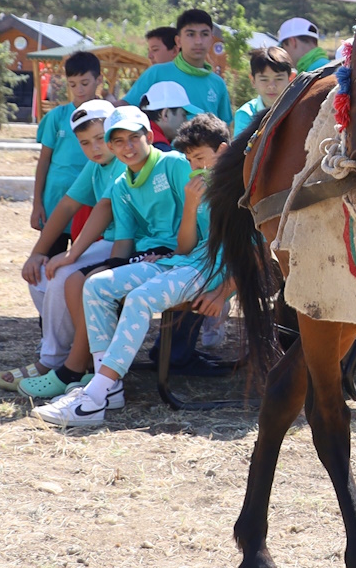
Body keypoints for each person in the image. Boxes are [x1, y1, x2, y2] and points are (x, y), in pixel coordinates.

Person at [36, 114, 234, 429]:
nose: (194, 166)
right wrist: (190, 204)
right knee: (97, 285)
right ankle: (110, 388)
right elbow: (184, 247)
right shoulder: (198, 185)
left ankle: (94, 397)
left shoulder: (242, 189)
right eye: (190, 160)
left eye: (199, 159)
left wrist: (223, 292)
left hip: (211, 269)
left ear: (222, 152)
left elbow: (257, 251)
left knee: (140, 298)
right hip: (183, 262)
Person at [3, 97, 116, 395]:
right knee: (40, 274)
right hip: (106, 244)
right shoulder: (96, 167)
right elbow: (66, 206)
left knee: (62, 276)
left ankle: (53, 361)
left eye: (100, 139)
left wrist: (71, 254)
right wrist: (38, 252)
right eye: (85, 143)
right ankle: (69, 354)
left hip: (126, 247)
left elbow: (104, 211)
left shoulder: (121, 162)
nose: (94, 148)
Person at [30, 50, 107, 232]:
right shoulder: (57, 116)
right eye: (72, 84)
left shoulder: (109, 116)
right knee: (49, 257)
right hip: (55, 199)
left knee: (84, 257)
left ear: (99, 80)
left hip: (92, 200)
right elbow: (44, 160)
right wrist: (37, 203)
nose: (79, 90)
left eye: (85, 83)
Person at [151, 6, 235, 125]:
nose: (198, 41)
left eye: (204, 34)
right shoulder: (157, 73)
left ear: (211, 40)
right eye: (191, 34)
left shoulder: (218, 83)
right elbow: (129, 108)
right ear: (178, 41)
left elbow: (224, 127)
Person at [232, 44, 294, 135]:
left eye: (279, 79)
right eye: (264, 79)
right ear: (253, 80)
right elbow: (242, 148)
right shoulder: (245, 114)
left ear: (291, 79)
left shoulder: (299, 110)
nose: (272, 86)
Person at [136, 78, 192, 146]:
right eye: (184, 115)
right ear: (165, 114)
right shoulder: (160, 149)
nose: (186, 121)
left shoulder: (134, 136)